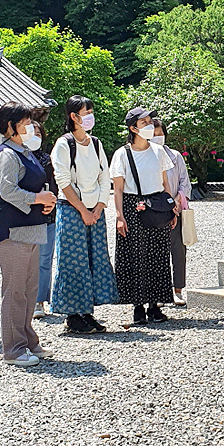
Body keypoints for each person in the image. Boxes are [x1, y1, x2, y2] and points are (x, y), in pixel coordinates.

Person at [0, 101, 58, 367]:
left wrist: (46, 201)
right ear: (10, 127)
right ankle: (13, 349)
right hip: (12, 230)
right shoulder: (6, 154)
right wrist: (37, 198)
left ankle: (28, 340)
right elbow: (8, 191)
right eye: (25, 123)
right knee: (15, 290)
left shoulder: (25, 151)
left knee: (29, 289)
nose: (30, 127)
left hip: (32, 229)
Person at [49, 95, 118, 333]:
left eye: (90, 111)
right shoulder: (63, 144)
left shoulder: (96, 143)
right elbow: (63, 181)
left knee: (94, 258)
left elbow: (104, 176)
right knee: (73, 261)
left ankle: (88, 311)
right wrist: (83, 210)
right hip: (71, 211)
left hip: (95, 211)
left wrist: (98, 207)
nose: (89, 116)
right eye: (85, 112)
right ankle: (72, 314)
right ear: (73, 116)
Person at [110, 106, 179, 325]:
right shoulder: (122, 154)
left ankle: (155, 305)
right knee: (134, 255)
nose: (149, 125)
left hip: (157, 201)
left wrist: (171, 209)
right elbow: (118, 188)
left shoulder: (159, 152)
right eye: (143, 122)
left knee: (158, 254)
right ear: (132, 128)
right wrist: (119, 216)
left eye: (150, 121)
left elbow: (165, 182)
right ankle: (137, 306)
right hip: (132, 204)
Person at [152, 119, 192, 306]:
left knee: (178, 251)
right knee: (156, 252)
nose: (158, 137)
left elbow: (185, 181)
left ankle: (178, 290)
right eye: (154, 134)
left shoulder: (175, 156)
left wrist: (176, 201)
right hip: (155, 210)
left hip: (176, 209)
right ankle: (160, 292)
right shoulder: (146, 157)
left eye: (160, 133)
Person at [32, 120, 56, 319]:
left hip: (47, 215)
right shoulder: (15, 157)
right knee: (25, 261)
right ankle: (26, 301)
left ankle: (40, 301)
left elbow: (54, 185)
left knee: (44, 260)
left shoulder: (47, 160)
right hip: (23, 217)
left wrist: (51, 202)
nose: (34, 138)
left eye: (38, 134)